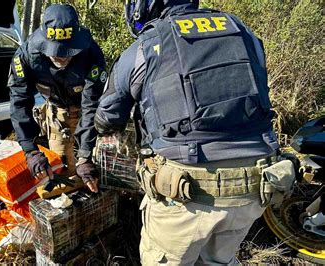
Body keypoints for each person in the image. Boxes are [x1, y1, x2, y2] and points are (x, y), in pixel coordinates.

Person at [95, 0, 292, 264]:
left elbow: (107, 116)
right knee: (218, 261)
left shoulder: (148, 43)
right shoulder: (241, 30)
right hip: (254, 188)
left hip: (186, 191)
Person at [9, 4, 107, 193]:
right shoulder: (26, 56)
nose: (61, 56)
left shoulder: (92, 54)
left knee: (93, 169)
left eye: (68, 50)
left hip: (87, 114)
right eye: (54, 50)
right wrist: (30, 150)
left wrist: (85, 155)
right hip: (57, 114)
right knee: (60, 171)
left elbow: (91, 104)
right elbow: (19, 102)